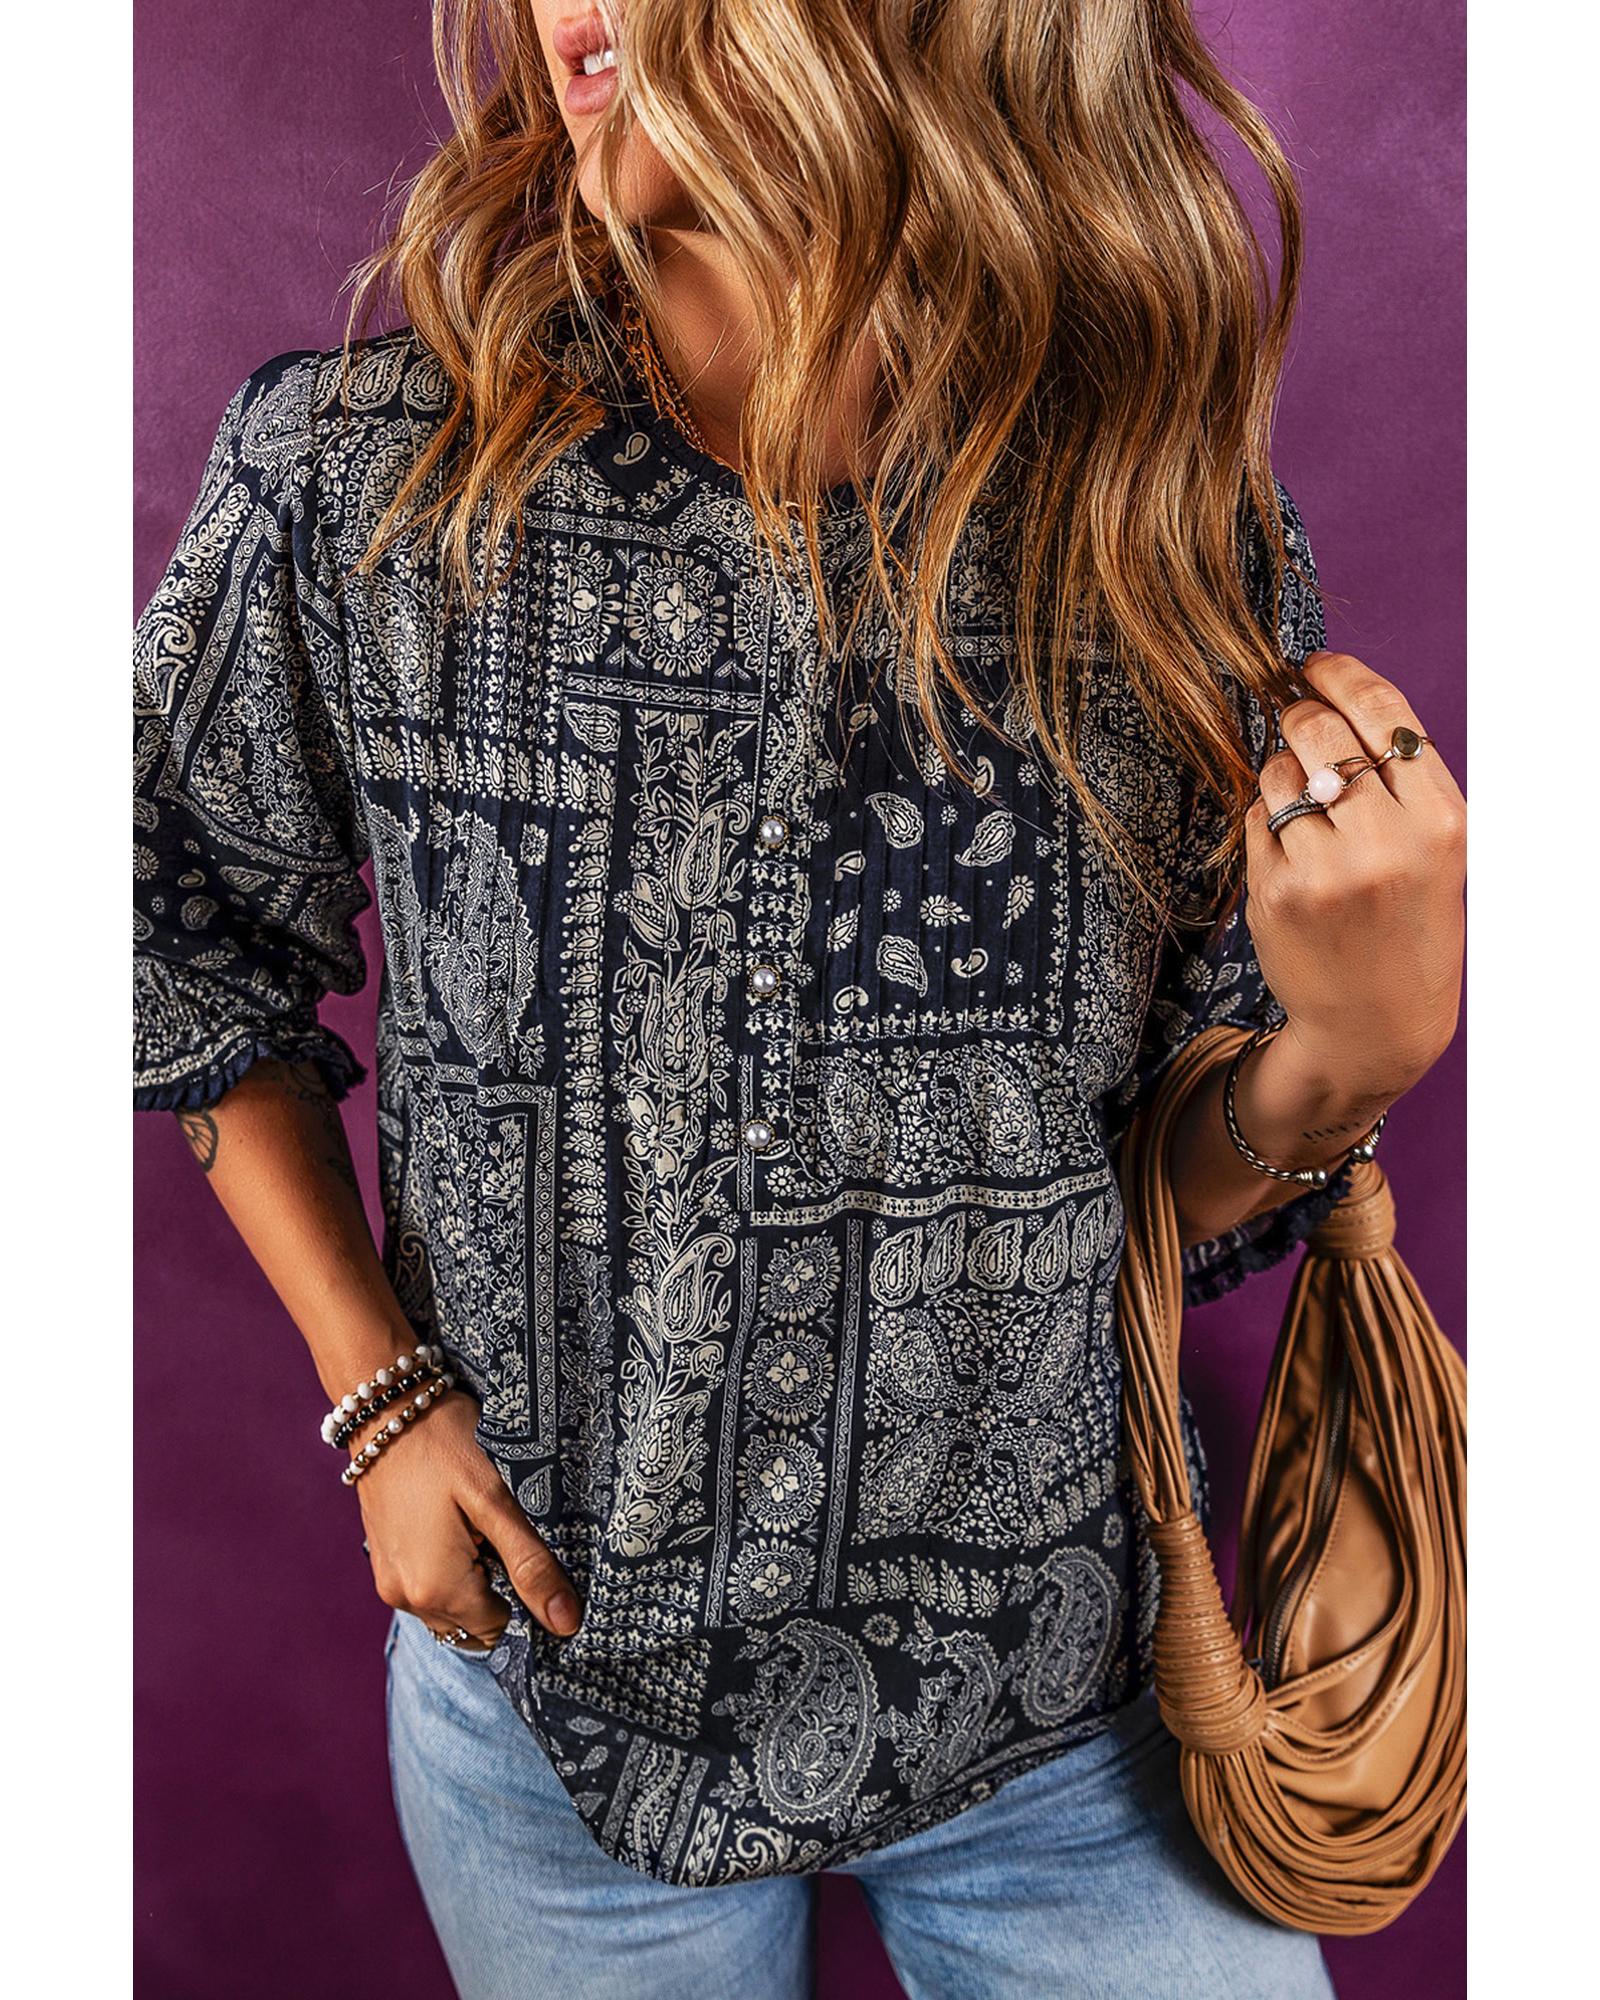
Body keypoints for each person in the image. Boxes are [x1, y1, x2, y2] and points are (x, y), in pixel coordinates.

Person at [132, 3, 1466, 1995]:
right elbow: (172, 928)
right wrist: (377, 1395)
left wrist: (1348, 1055)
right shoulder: (361, 483)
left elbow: (1151, 1198)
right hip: (559, 1719)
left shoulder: (1145, 519)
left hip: (1067, 1712)